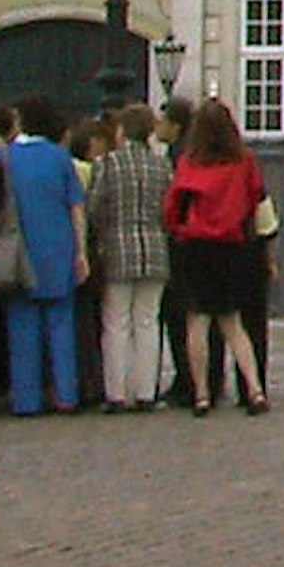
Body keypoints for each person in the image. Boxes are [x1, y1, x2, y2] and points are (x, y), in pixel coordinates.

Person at [164, 96, 270, 417]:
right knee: (233, 323)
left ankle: (202, 395)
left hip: (195, 247)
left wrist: (179, 229)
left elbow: (174, 204)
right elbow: (256, 197)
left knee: (197, 321)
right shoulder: (243, 161)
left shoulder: (190, 162)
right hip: (231, 245)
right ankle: (254, 389)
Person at [0, 97, 86, 418]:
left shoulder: (3, 158)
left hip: (18, 251)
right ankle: (66, 394)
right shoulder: (60, 158)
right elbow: (76, 207)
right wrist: (81, 252)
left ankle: (26, 399)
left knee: (22, 326)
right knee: (61, 326)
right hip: (58, 247)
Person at [85, 103, 173, 412]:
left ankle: (117, 392)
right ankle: (147, 391)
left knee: (116, 322)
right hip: (155, 248)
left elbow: (94, 208)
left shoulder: (108, 164)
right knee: (148, 321)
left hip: (118, 247)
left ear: (123, 131)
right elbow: (170, 210)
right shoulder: (161, 166)